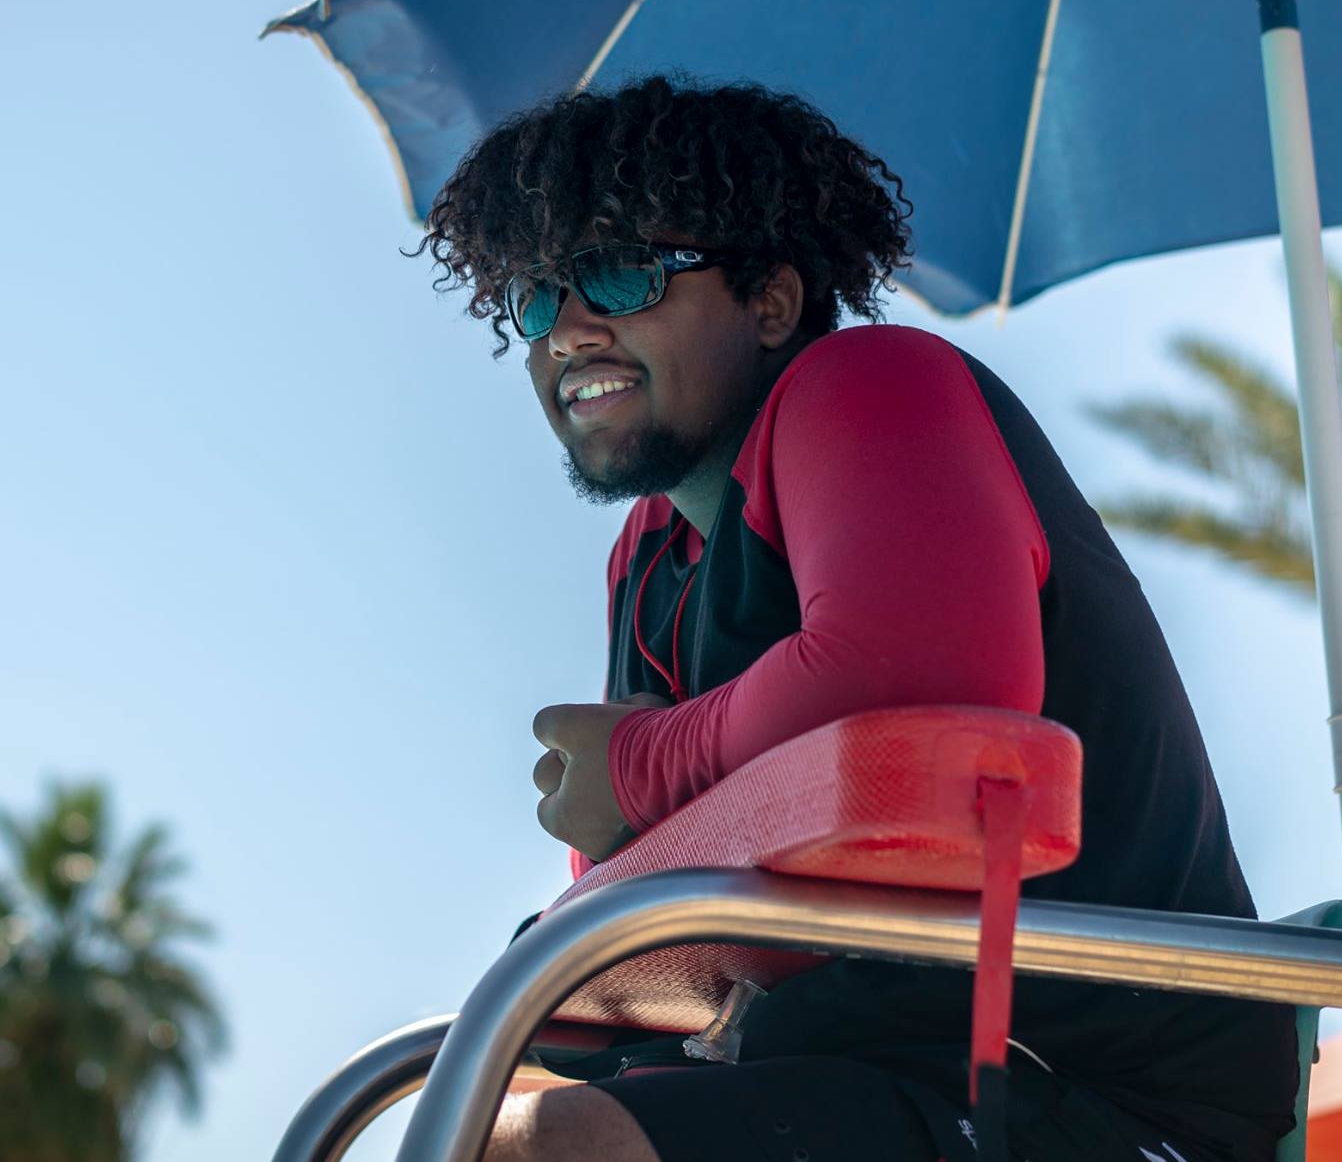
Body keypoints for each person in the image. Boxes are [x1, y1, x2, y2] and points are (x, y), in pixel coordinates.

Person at [417, 76, 1297, 1162]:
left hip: (1093, 1096)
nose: (567, 330)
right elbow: (669, 906)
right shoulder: (650, 551)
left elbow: (923, 670)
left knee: (537, 1145)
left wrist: (638, 765)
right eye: (537, 299)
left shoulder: (866, 382)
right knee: (465, 1124)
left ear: (771, 300)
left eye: (618, 272)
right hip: (850, 1071)